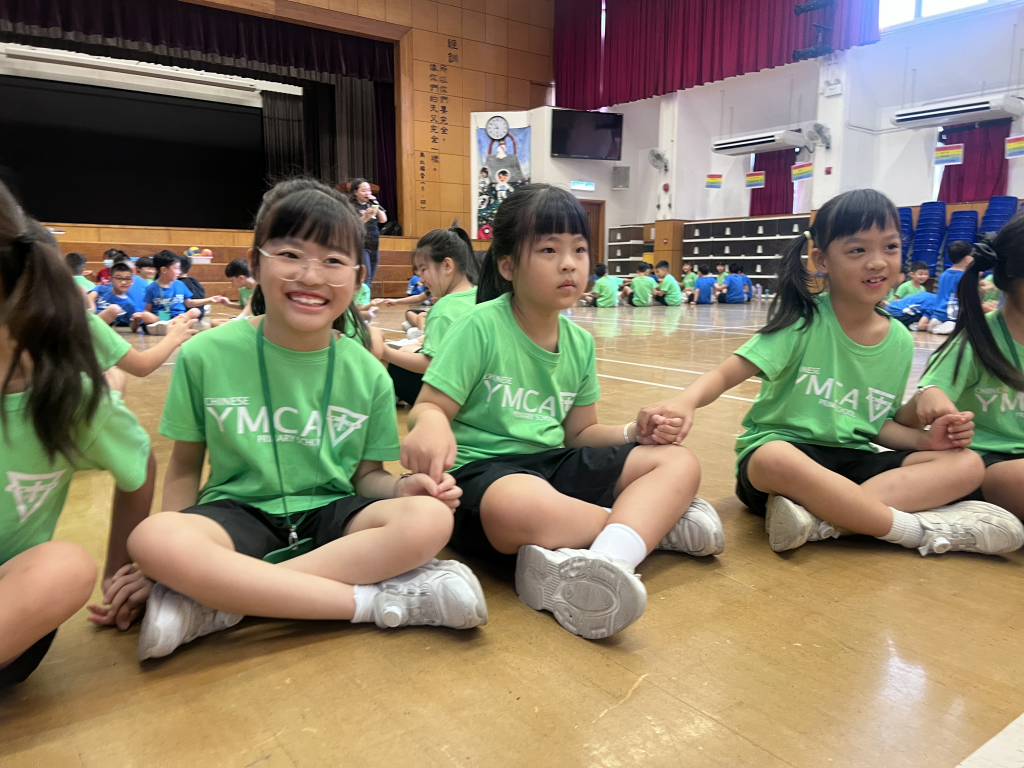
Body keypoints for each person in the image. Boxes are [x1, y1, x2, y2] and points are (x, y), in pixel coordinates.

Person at [126, 179, 487, 661]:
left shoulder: (368, 371)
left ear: (357, 278)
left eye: (333, 260)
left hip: (332, 515)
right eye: (290, 254)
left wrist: (404, 489)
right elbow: (184, 468)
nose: (311, 276)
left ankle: (217, 602)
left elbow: (367, 478)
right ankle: (370, 602)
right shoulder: (205, 355)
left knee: (429, 517)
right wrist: (160, 565)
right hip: (236, 514)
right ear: (256, 264)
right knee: (155, 539)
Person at [401, 184, 724, 640]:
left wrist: (634, 432)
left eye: (579, 249)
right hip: (485, 476)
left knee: (678, 461)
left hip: (553, 466)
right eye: (549, 249)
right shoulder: (479, 326)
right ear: (507, 265)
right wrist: (431, 426)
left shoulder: (579, 343)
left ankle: (606, 557)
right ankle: (648, 529)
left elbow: (580, 434)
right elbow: (429, 408)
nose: (569, 263)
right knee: (520, 504)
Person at [634, 188, 1023, 557]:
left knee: (966, 464)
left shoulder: (900, 341)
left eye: (890, 247)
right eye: (857, 250)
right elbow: (724, 374)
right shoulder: (802, 321)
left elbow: (875, 424)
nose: (877, 261)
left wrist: (925, 442)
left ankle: (826, 519)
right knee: (773, 457)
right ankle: (912, 530)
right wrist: (685, 401)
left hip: (853, 461)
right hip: (787, 458)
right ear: (821, 261)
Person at [0, 181, 156, 689]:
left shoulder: (70, 390)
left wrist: (118, 573)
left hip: (11, 606)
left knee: (63, 566)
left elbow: (139, 369)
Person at [901, 220, 1024, 520]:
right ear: (1012, 278)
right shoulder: (976, 341)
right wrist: (928, 393)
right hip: (991, 465)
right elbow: (907, 420)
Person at [380, 224, 477, 406]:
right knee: (408, 349)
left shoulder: (444, 309)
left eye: (424, 270)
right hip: (473, 387)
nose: (421, 279)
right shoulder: (478, 294)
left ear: (447, 265)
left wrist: (385, 352)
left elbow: (430, 364)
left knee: (383, 360)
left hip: (450, 395)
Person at [135, 251, 227, 333]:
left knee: (195, 311)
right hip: (161, 319)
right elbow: (148, 310)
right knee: (145, 315)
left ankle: (174, 324)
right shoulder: (152, 288)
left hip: (179, 317)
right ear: (164, 270)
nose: (179, 272)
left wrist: (210, 299)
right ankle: (174, 326)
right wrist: (144, 316)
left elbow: (190, 303)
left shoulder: (180, 284)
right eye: (176, 268)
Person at [925, 240, 974, 335]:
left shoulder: (943, 275)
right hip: (953, 315)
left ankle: (937, 321)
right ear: (967, 259)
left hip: (938, 313)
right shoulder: (965, 277)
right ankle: (950, 325)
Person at [350, 178, 387, 285]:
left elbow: (383, 219)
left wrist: (376, 203)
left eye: (369, 190)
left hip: (374, 244)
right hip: (362, 245)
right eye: (364, 191)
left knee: (371, 278)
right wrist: (366, 217)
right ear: (355, 192)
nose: (367, 193)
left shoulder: (372, 205)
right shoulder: (352, 206)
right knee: (366, 276)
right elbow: (354, 224)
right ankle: (363, 296)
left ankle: (364, 295)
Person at [89, 262, 138, 327]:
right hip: (88, 317)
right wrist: (92, 309)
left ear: (132, 280)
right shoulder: (101, 289)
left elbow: (132, 327)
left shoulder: (130, 305)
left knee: (114, 309)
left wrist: (135, 322)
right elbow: (90, 297)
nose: (123, 282)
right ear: (111, 280)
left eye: (127, 279)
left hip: (99, 327)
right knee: (82, 289)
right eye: (119, 278)